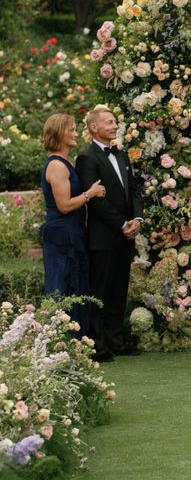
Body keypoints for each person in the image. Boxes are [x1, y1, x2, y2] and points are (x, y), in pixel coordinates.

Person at [75, 105, 144, 362]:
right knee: (100, 292)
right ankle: (98, 344)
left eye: (115, 122)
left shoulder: (122, 154)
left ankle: (116, 339)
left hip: (126, 234)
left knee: (119, 291)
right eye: (109, 122)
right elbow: (95, 201)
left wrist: (137, 219)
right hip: (104, 236)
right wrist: (121, 224)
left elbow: (134, 189)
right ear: (94, 127)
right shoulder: (87, 158)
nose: (115, 126)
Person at [40, 113, 106, 337]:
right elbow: (65, 205)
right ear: (60, 133)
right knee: (62, 288)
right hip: (61, 236)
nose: (76, 133)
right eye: (71, 129)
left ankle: (75, 342)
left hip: (73, 233)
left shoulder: (65, 162)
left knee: (76, 287)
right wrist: (91, 193)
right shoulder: (57, 166)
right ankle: (59, 340)